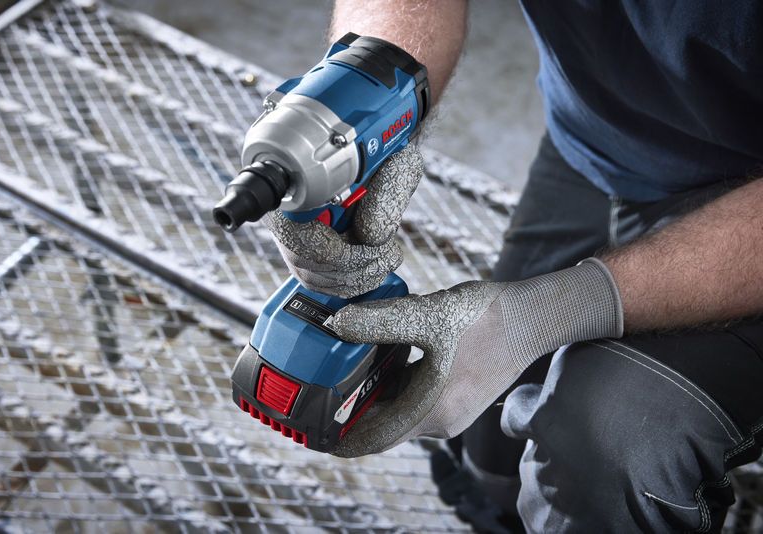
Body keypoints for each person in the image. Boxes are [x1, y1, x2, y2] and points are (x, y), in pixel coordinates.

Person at [264, 1, 763, 531]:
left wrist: (547, 312)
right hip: (601, 143)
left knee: (600, 447)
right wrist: (350, 104)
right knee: (485, 440)